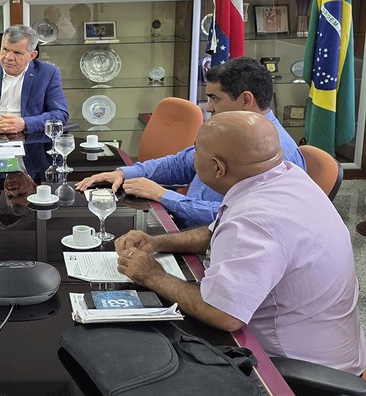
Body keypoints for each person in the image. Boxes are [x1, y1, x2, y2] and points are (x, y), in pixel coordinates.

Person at [113, 111, 366, 375]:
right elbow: (215, 233)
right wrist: (156, 243)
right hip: (329, 344)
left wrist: (152, 276)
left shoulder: (255, 220)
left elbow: (223, 314)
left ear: (218, 168)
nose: (192, 158)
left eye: (196, 152)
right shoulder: (286, 177)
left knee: (139, 359)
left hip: (293, 369)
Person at [76, 57, 305, 228]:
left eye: (215, 98)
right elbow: (182, 164)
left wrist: (164, 196)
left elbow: (240, 216)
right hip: (184, 223)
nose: (209, 107)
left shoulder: (276, 153)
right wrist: (127, 173)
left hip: (210, 244)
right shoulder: (230, 130)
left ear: (246, 100)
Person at [0, 24, 68, 135]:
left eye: (17, 53)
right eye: (5, 49)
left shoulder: (48, 73)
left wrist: (25, 123)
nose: (8, 57)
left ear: (32, 55)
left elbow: (59, 113)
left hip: (30, 138)